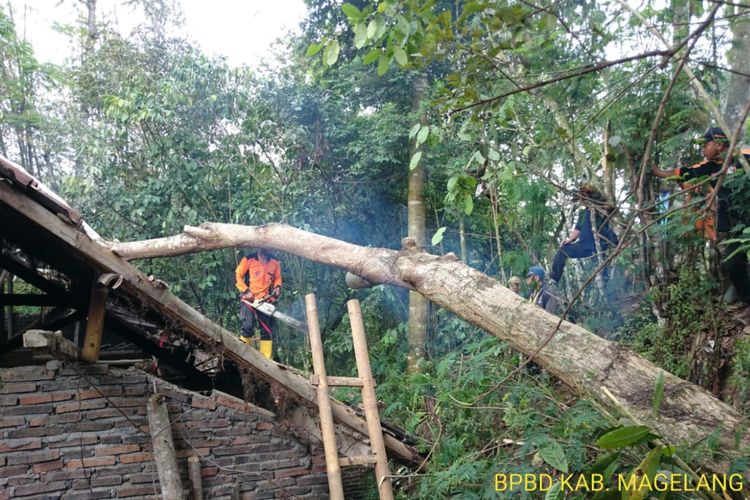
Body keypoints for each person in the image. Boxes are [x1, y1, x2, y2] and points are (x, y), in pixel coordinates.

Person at [652, 126, 750, 304]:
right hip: (738, 226)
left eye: (706, 145)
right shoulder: (708, 167)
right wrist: (651, 167)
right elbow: (679, 173)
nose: (702, 149)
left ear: (719, 144)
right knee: (733, 264)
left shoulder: (745, 155)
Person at [550, 184, 619, 283]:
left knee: (602, 272)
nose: (582, 201)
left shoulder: (600, 208)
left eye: (584, 198)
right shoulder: (583, 213)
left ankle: (609, 284)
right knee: (563, 251)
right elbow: (577, 230)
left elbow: (611, 210)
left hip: (600, 245)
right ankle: (554, 278)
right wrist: (569, 240)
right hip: (584, 246)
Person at [235, 248, 282, 359]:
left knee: (266, 330)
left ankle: (266, 360)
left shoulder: (275, 262)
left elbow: (277, 278)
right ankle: (241, 356)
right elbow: (238, 275)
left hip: (264, 300)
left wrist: (277, 287)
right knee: (247, 327)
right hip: (249, 300)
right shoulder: (248, 259)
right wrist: (246, 291)